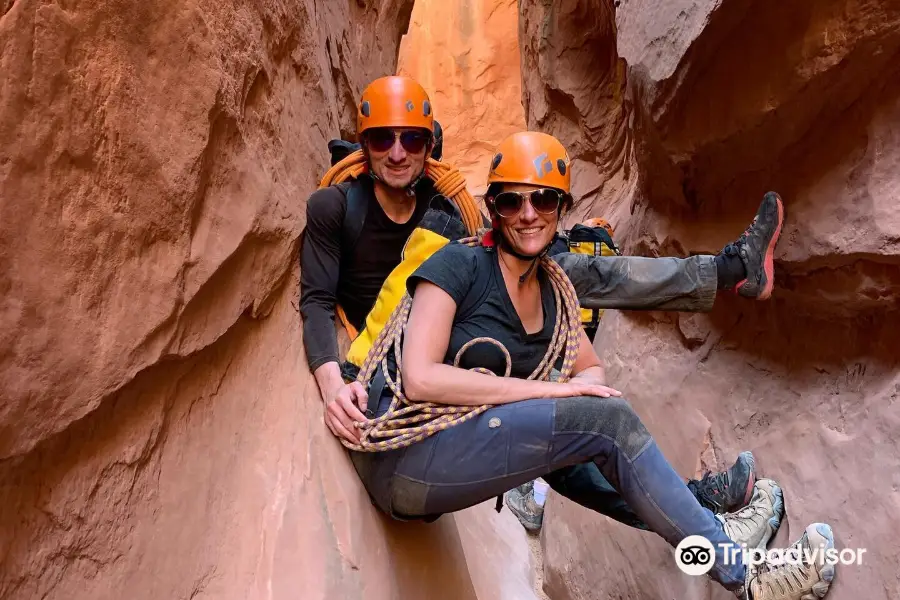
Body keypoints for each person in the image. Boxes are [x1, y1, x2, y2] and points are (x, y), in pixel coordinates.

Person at [340, 131, 836, 600]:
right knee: (601, 423)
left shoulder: (556, 293)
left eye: (544, 200)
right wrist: (548, 393)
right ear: (492, 208)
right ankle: (746, 574)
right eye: (511, 200)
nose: (528, 214)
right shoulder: (459, 265)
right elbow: (419, 375)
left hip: (461, 455)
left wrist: (568, 395)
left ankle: (706, 523)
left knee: (587, 433)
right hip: (402, 460)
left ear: (561, 210)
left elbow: (591, 372)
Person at [299, 75, 777, 527]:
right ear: (364, 144)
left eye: (413, 140)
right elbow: (317, 300)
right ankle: (698, 508)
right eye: (383, 139)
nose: (398, 153)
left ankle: (728, 274)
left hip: (463, 336)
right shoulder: (338, 207)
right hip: (401, 367)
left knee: (569, 270)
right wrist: (331, 383)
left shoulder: (444, 206)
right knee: (556, 419)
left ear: (430, 144)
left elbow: (495, 263)